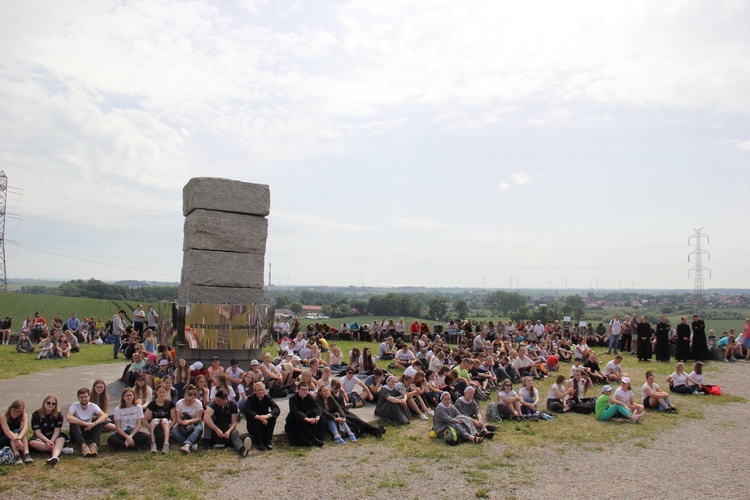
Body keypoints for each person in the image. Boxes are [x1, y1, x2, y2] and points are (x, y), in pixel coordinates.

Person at [203, 388, 250, 456]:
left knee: (234, 433)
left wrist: (229, 431)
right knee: (208, 422)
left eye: (219, 401)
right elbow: (206, 417)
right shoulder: (214, 404)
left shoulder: (233, 405)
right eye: (216, 400)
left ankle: (241, 449)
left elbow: (234, 422)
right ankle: (207, 443)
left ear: (225, 400)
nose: (216, 402)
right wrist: (217, 430)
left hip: (227, 425)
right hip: (217, 425)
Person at [29, 395, 70, 466]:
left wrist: (51, 440)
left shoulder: (59, 414)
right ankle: (59, 450)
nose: (50, 405)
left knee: (61, 439)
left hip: (54, 436)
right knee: (32, 443)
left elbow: (57, 430)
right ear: (44, 403)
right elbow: (37, 432)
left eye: (53, 403)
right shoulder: (36, 414)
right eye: (48, 403)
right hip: (41, 437)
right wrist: (47, 441)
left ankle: (54, 457)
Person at [66, 387, 108, 456]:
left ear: (89, 397)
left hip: (89, 429)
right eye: (81, 397)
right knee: (73, 422)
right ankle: (83, 445)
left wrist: (93, 424)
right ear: (78, 398)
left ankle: (94, 444)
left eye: (85, 397)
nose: (84, 399)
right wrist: (84, 423)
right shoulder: (74, 405)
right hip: (77, 433)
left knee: (100, 421)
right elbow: (68, 417)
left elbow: (105, 415)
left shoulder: (93, 406)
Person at [285, 382, 325, 447]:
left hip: (305, 417)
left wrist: (317, 417)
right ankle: (314, 440)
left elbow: (316, 406)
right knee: (301, 420)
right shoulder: (292, 399)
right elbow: (295, 411)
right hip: (294, 421)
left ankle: (320, 438)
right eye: (303, 390)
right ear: (298, 390)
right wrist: (307, 419)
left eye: (306, 390)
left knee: (315, 414)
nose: (305, 392)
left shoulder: (308, 397)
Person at [243, 382, 280, 451]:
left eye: (262, 389)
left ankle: (268, 441)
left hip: (264, 422)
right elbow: (247, 410)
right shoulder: (250, 399)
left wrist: (267, 416)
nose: (261, 392)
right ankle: (259, 442)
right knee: (253, 419)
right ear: (255, 391)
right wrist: (258, 417)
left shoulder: (267, 398)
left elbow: (276, 409)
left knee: (272, 418)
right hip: (254, 424)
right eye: (259, 390)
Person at [172, 385, 204, 454]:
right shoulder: (179, 403)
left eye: (190, 401)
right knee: (174, 431)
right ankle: (190, 445)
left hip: (194, 422)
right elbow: (178, 418)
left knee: (199, 428)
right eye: (186, 400)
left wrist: (189, 421)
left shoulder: (198, 403)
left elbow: (198, 418)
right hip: (183, 423)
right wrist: (181, 422)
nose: (188, 403)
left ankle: (187, 444)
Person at [144, 384, 176, 454]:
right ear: (156, 392)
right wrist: (149, 427)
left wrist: (169, 427)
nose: (162, 394)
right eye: (160, 392)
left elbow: (174, 419)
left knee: (164, 420)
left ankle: (166, 443)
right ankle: (153, 443)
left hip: (166, 423)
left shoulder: (170, 404)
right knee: (155, 420)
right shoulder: (152, 404)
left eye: (163, 392)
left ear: (166, 393)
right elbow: (145, 420)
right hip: (155, 424)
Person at [1, 400, 32, 465]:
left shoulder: (23, 415)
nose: (16, 413)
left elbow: (25, 427)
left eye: (19, 412)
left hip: (14, 438)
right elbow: (7, 431)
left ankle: (26, 454)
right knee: (15, 433)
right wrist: (17, 439)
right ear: (10, 409)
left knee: (21, 433)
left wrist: (18, 438)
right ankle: (17, 456)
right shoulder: (4, 416)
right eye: (14, 410)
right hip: (3, 439)